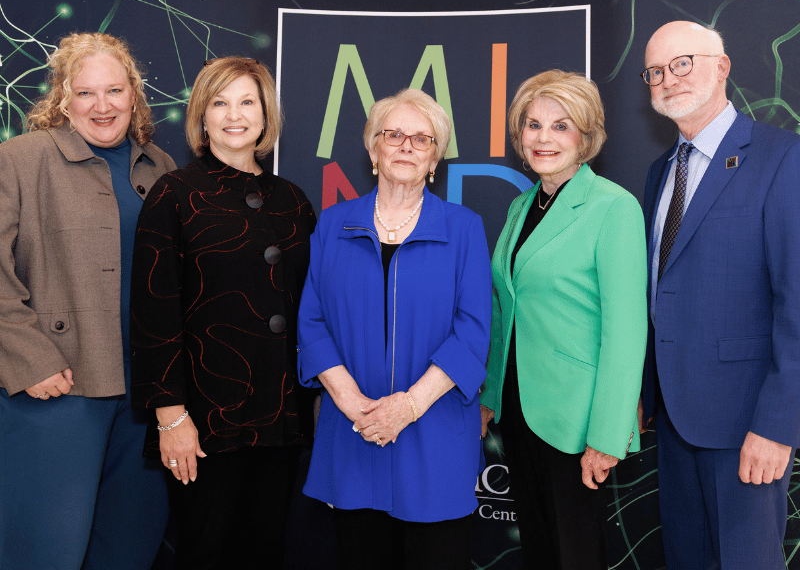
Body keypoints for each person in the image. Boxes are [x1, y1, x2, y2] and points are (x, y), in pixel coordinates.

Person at [129, 56, 315, 570]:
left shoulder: (293, 202)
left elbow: (307, 309)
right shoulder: (174, 194)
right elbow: (153, 310)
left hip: (279, 417)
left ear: (265, 114)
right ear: (202, 117)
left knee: (267, 550)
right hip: (202, 421)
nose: (235, 115)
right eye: (220, 102)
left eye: (247, 102)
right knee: (206, 551)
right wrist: (171, 417)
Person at [297, 88, 491, 570]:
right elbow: (312, 322)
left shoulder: (464, 228)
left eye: (421, 139)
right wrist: (353, 405)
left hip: (435, 435)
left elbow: (472, 332)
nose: (406, 146)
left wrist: (406, 408)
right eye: (393, 135)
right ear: (372, 149)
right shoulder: (333, 225)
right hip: (354, 432)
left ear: (435, 159)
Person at [0, 32, 174, 570]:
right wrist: (31, 358)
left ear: (134, 95)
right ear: (63, 99)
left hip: (145, 399)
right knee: (44, 553)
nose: (102, 106)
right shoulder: (20, 159)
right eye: (85, 93)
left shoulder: (160, 166)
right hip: (57, 389)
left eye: (115, 91)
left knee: (129, 549)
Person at [638, 21, 800, 570]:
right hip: (674, 422)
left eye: (682, 62)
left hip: (746, 427)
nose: (668, 79)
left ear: (722, 66)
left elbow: (797, 302)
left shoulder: (782, 157)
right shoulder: (660, 173)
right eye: (655, 72)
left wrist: (778, 426)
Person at [479, 70, 648, 570]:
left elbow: (626, 330)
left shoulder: (613, 207)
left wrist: (608, 432)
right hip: (517, 409)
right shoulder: (520, 205)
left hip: (577, 420)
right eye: (533, 125)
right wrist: (489, 396)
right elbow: (503, 307)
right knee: (539, 548)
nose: (543, 138)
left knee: (576, 555)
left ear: (586, 136)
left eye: (560, 126)